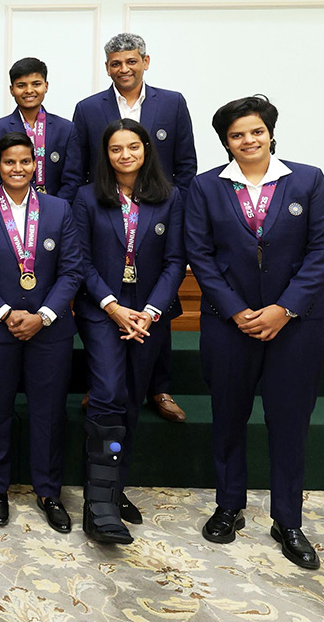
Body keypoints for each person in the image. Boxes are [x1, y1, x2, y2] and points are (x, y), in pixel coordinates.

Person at [187, 96, 324, 570]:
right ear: (226, 142)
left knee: (289, 421)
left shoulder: (308, 179)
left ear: (270, 132)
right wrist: (237, 311)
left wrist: (284, 309)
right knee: (228, 416)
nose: (247, 141)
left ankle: (287, 519)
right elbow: (199, 254)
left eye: (255, 131)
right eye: (236, 135)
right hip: (228, 325)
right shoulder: (206, 187)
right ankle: (229, 505)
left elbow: (323, 247)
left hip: (297, 326)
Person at [0, 132, 81, 533]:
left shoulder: (60, 210)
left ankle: (48, 491)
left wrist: (42, 315)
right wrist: (6, 312)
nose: (18, 168)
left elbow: (72, 269)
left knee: (48, 412)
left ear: (35, 164)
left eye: (25, 161)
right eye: (9, 161)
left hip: (49, 329)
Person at [71, 32, 195, 423]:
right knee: (109, 317)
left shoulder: (172, 103)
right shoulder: (89, 109)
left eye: (130, 61)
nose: (123, 69)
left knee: (157, 303)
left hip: (156, 216)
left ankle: (158, 388)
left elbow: (186, 166)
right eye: (115, 63)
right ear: (107, 67)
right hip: (107, 215)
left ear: (145, 61)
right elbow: (77, 168)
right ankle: (104, 386)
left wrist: (173, 215)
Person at [72, 119, 184, 544]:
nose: (125, 155)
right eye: (116, 149)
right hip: (102, 308)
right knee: (107, 393)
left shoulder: (171, 198)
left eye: (133, 147)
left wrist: (149, 312)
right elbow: (80, 259)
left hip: (149, 312)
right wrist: (114, 307)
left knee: (133, 397)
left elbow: (176, 260)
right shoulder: (86, 198)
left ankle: (114, 490)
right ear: (106, 155)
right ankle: (97, 503)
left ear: (145, 150)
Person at [0, 57, 82, 201]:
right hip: (8, 213)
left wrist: (56, 209)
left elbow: (73, 179)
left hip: (55, 214)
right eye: (21, 85)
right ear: (11, 89)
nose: (29, 90)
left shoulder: (66, 129)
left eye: (36, 84)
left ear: (46, 86)